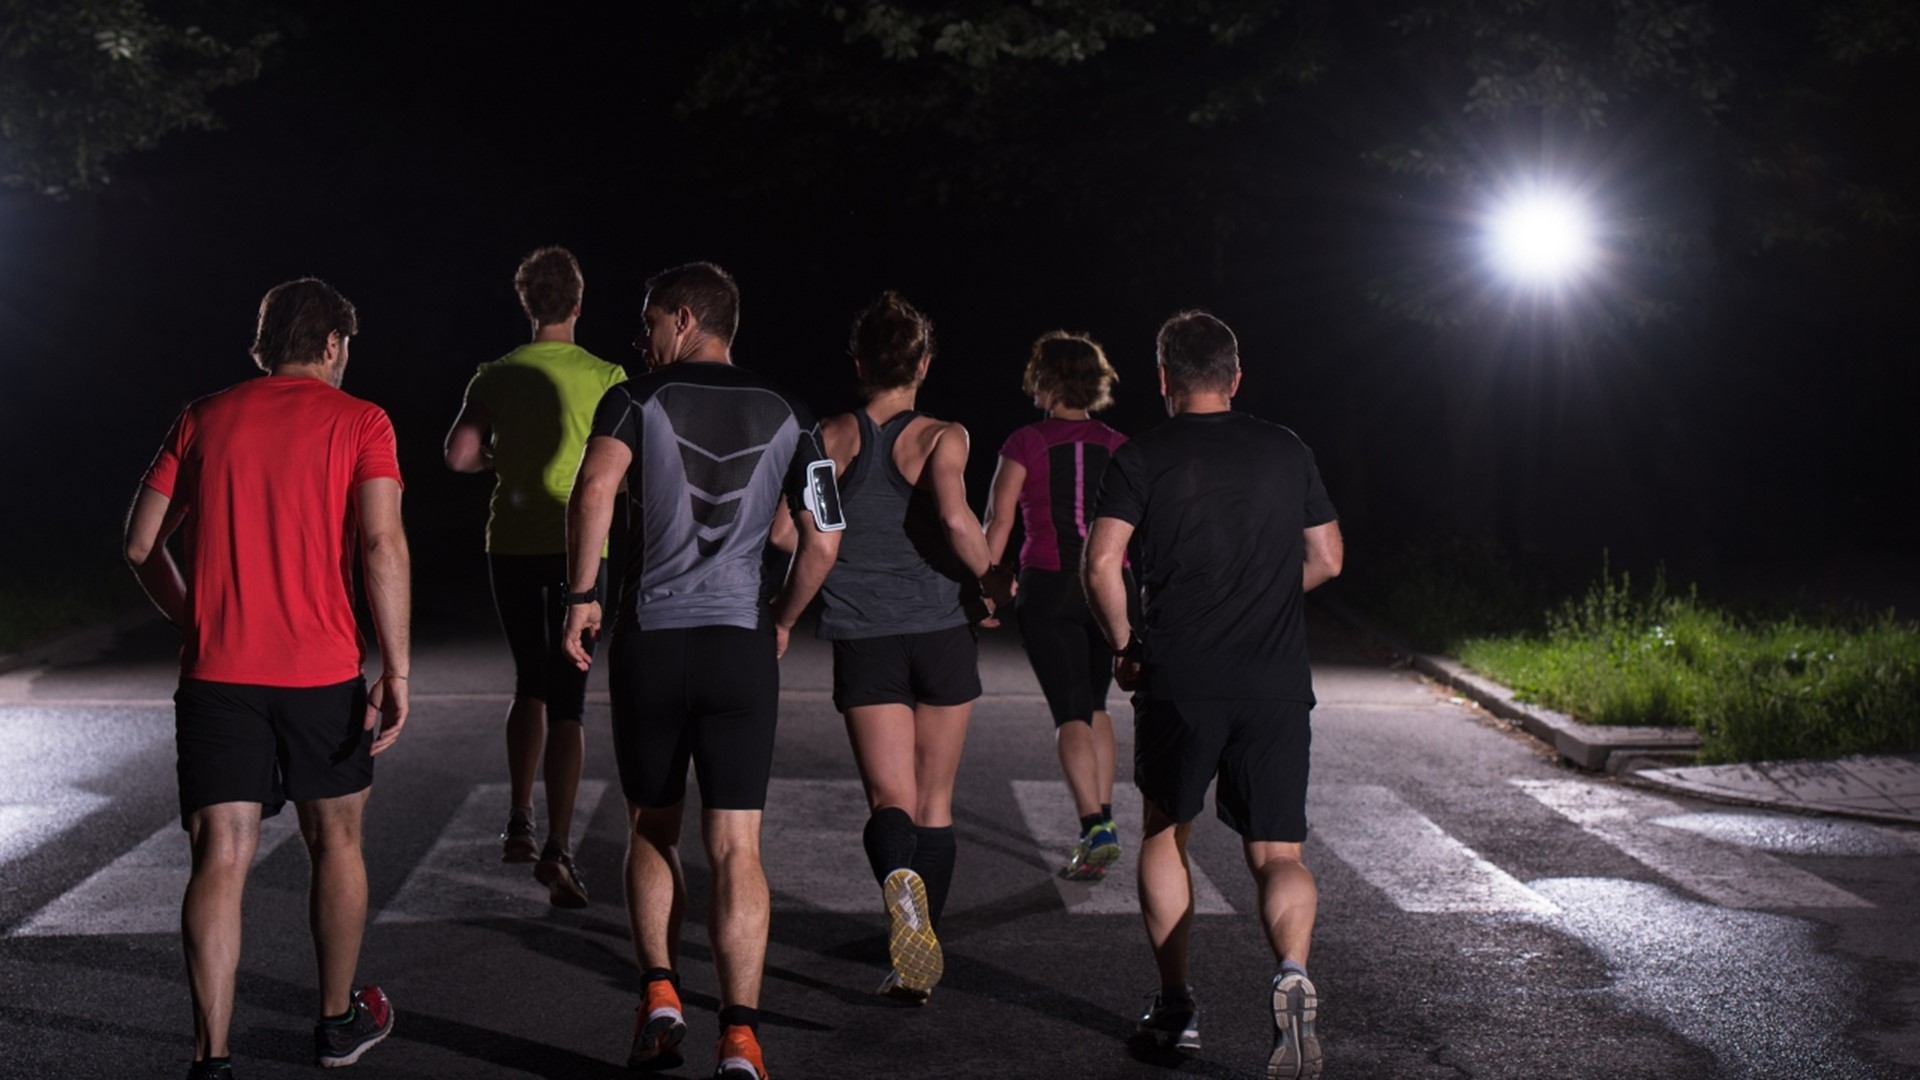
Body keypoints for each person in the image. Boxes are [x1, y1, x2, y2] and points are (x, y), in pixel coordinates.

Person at [123, 278, 410, 1079]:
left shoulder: (202, 417)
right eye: (344, 347)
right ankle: (334, 1022)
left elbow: (142, 545)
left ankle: (211, 1056)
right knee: (337, 840)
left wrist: (191, 618)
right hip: (322, 672)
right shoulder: (363, 422)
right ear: (330, 344)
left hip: (219, 674)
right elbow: (383, 546)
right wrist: (398, 665)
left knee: (221, 854)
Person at [562, 262, 841, 1080]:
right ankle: (743, 1038)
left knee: (653, 825)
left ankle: (659, 994)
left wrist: (581, 595)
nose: (641, 339)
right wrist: (784, 618)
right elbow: (824, 536)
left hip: (652, 639)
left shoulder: (636, 398)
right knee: (737, 845)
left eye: (649, 322)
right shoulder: (795, 411)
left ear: (685, 320)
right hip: (740, 645)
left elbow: (592, 492)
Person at [1082, 310, 1343, 1079]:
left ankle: (1177, 1007)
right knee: (1277, 850)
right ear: (1235, 376)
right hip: (1273, 682)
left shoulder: (1141, 456)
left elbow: (1101, 564)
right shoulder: (1285, 448)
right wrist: (1263, 594)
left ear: (1163, 380)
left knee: (1167, 829)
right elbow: (1327, 556)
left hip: (1180, 677)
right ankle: (1292, 971)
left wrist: (1125, 645)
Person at [814, 291, 1015, 1005]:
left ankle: (900, 901)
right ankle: (915, 961)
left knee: (888, 800)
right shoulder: (943, 436)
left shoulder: (828, 437)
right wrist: (992, 577)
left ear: (861, 361)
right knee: (935, 801)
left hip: (863, 633)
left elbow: (803, 534)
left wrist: (784, 605)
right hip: (940, 630)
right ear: (923, 364)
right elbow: (959, 520)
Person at [444, 245, 626, 907]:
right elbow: (621, 469)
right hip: (582, 548)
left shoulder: (496, 373)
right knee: (571, 697)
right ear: (578, 305)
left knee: (530, 681)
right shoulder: (608, 375)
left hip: (511, 543)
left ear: (528, 306)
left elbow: (459, 454)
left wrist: (502, 459)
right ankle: (558, 845)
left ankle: (518, 817)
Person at [982, 330, 1132, 881]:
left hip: (1048, 583)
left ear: (1044, 380)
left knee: (1068, 710)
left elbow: (997, 523)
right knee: (1096, 704)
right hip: (1110, 585)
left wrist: (984, 586)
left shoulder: (1025, 441)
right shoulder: (1119, 445)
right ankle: (1107, 822)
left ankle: (1093, 826)